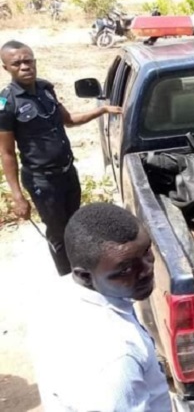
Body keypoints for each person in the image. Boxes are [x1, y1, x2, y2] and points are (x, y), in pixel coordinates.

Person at [29, 203, 171, 411]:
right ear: (85, 276)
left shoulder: (56, 293)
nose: (147, 269)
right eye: (126, 269)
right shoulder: (116, 361)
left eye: (146, 251)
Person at [0, 40, 121, 276]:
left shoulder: (46, 89)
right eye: (17, 63)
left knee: (76, 225)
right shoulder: (6, 104)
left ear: (35, 61)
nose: (25, 66)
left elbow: (69, 120)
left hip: (67, 172)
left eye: (28, 61)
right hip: (42, 181)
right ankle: (68, 276)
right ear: (6, 68)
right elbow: (6, 153)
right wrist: (17, 196)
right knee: (58, 233)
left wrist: (102, 110)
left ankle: (83, 270)